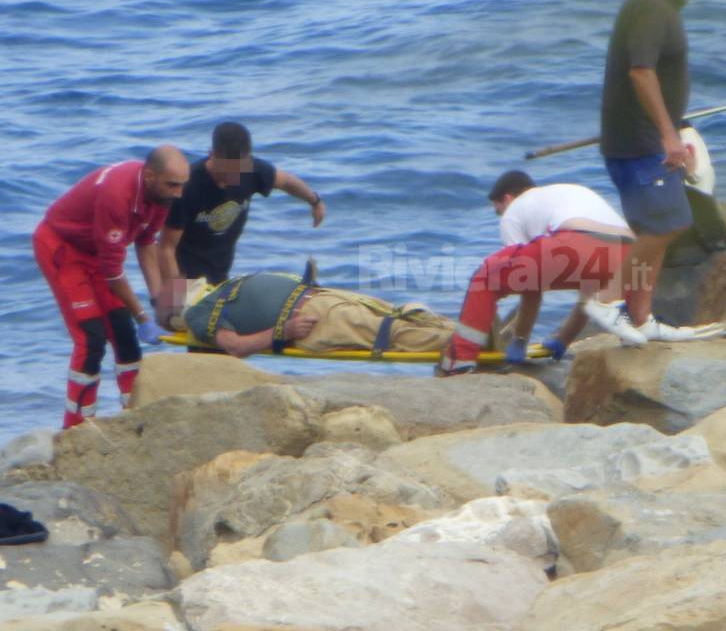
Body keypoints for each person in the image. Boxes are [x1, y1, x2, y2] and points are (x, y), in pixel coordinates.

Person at [589, 0, 719, 342]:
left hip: (649, 139)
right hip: (641, 143)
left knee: (663, 225)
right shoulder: (649, 6)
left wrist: (676, 129)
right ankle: (604, 300)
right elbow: (641, 72)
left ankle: (641, 319)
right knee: (664, 226)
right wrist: (667, 135)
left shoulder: (658, 3)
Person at [33, 146, 189, 428]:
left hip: (95, 252)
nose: (178, 193)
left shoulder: (160, 198)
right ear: (150, 175)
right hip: (62, 248)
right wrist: (142, 316)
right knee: (90, 337)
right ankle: (77, 425)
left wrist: (159, 303)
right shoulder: (118, 197)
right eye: (172, 185)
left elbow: (145, 244)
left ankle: (133, 412)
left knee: (123, 332)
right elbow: (113, 272)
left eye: (182, 186)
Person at [437, 170, 641, 376]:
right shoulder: (561, 194)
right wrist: (564, 340)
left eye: (498, 210)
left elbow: (528, 283)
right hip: (632, 256)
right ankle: (636, 340)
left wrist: (520, 340)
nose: (501, 216)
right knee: (593, 284)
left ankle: (459, 362)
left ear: (507, 198)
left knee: (485, 278)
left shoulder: (514, 210)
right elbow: (588, 295)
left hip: (578, 242)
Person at [158, 122, 326, 285]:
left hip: (220, 277)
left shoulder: (252, 171)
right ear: (211, 154)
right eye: (227, 171)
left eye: (239, 171)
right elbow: (166, 249)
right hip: (183, 279)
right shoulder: (187, 187)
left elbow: (286, 182)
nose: (233, 179)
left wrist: (315, 201)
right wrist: (175, 301)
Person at [174, 272, 454, 359]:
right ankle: (469, 342)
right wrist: (283, 331)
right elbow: (235, 346)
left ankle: (475, 329)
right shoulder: (199, 313)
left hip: (324, 298)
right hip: (313, 323)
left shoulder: (220, 290)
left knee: (404, 314)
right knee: (392, 334)